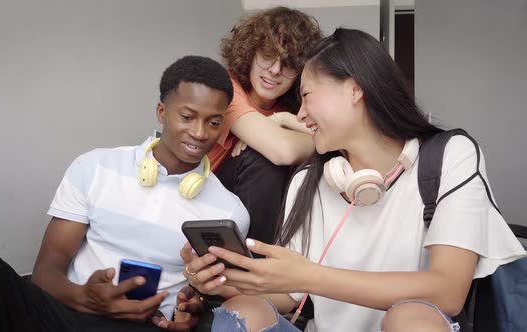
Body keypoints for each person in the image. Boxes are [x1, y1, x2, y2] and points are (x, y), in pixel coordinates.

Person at [181, 29, 527, 332]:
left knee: (412, 320)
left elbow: (448, 291)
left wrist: (309, 275)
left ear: (354, 89)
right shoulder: (309, 181)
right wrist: (219, 283)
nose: (299, 115)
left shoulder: (450, 154)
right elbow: (290, 296)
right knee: (243, 309)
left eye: (306, 94)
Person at [0, 55, 249, 332]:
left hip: (145, 326)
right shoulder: (95, 166)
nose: (199, 132)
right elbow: (46, 270)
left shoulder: (228, 212)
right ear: (161, 111)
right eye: (187, 116)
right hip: (62, 313)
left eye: (213, 122)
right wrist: (85, 298)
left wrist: (193, 307)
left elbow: (206, 295)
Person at [208, 7, 323, 245]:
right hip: (205, 197)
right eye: (268, 56)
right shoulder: (225, 89)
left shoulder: (291, 109)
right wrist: (307, 139)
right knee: (262, 158)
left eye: (288, 64)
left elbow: (335, 143)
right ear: (250, 54)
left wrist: (284, 120)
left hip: (261, 214)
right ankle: (256, 265)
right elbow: (283, 151)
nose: (275, 70)